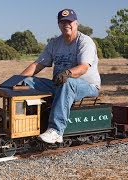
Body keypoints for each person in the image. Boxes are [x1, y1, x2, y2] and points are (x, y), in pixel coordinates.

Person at [20, 9, 101, 144]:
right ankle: (27, 125)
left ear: (76, 23)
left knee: (67, 82)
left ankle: (56, 131)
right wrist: (17, 79)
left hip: (87, 86)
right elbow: (38, 64)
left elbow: (84, 67)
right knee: (27, 82)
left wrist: (68, 73)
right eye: (62, 22)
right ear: (59, 24)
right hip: (59, 83)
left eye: (69, 21)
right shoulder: (55, 43)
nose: (66, 25)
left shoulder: (84, 42)